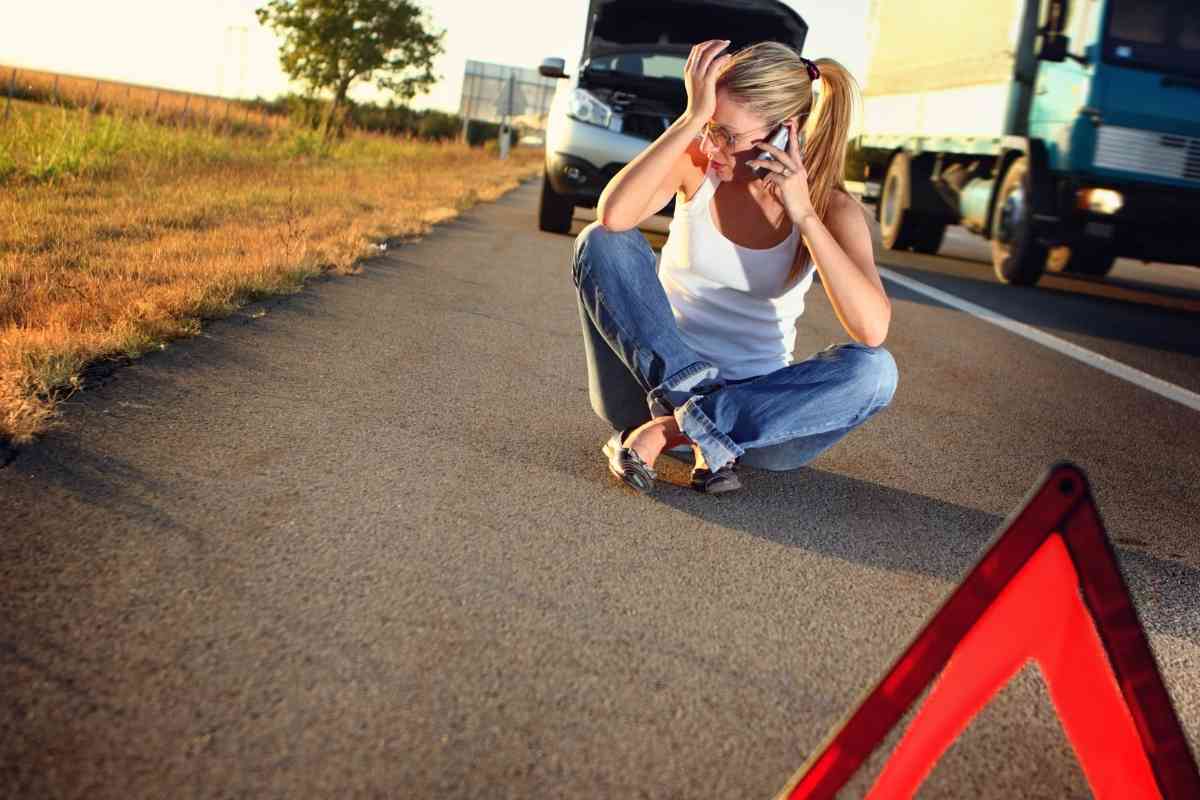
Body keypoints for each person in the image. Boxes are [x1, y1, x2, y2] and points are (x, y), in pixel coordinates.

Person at [572, 39, 898, 495]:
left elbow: (871, 330)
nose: (711, 142)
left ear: (788, 129)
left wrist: (804, 214)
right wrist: (689, 120)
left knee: (876, 372)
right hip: (646, 388)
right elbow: (613, 218)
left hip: (756, 419)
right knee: (601, 242)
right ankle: (695, 424)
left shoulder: (830, 207)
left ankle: (675, 431)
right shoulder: (694, 162)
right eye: (708, 124)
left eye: (728, 133)